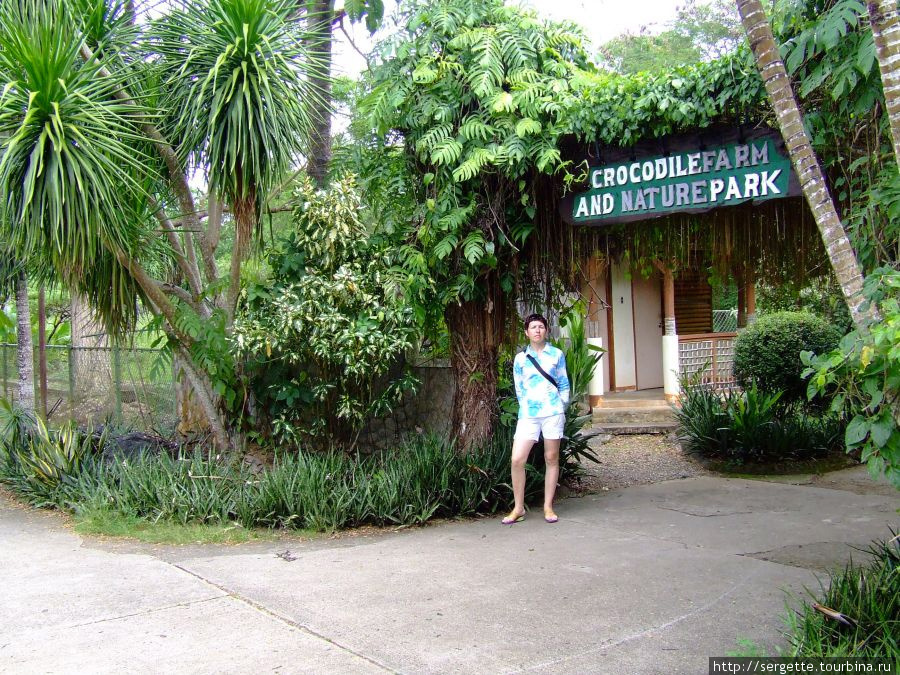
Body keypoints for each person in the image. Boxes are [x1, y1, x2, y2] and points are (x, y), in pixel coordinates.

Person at [502, 313, 570, 525]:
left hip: (552, 413)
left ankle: (548, 506)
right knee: (517, 459)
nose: (537, 330)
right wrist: (526, 407)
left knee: (551, 458)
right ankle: (518, 507)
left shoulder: (556, 354)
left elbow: (563, 384)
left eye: (541, 326)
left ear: (546, 330)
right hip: (529, 415)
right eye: (533, 327)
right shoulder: (520, 359)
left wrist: (560, 405)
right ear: (527, 332)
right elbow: (519, 387)